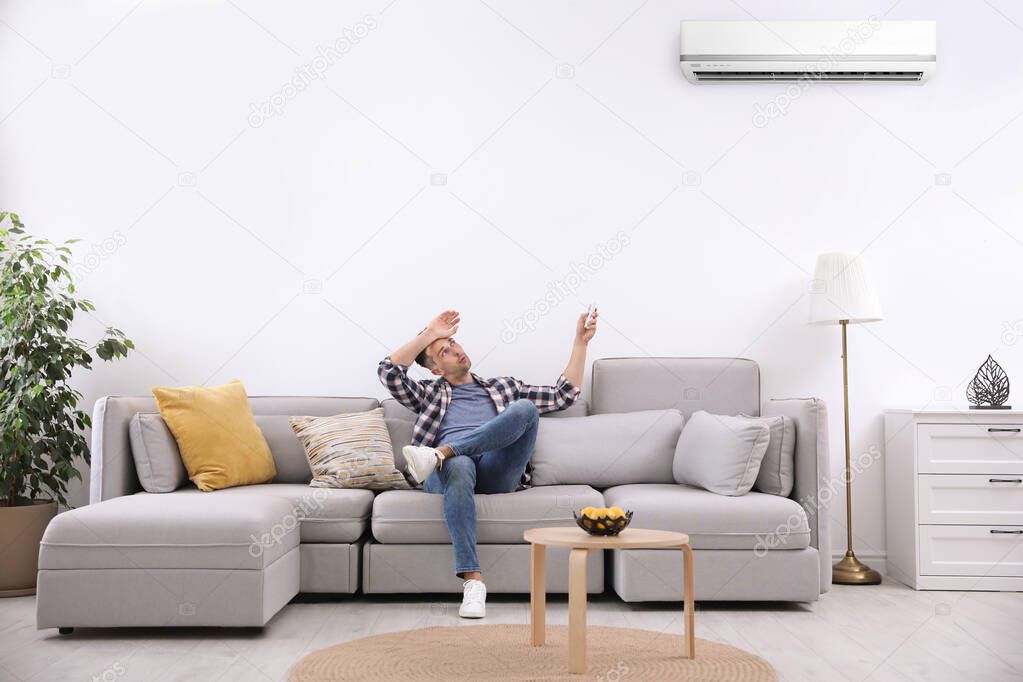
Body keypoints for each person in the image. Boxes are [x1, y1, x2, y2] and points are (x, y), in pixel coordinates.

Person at [377, 308, 598, 617]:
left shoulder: (504, 388)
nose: (455, 350)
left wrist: (580, 342)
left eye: (453, 343)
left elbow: (564, 395)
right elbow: (389, 372)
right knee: (460, 464)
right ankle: (473, 582)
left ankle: (443, 451)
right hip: (449, 474)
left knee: (524, 409)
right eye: (444, 351)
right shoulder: (428, 393)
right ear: (436, 370)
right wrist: (429, 334)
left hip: (496, 471)